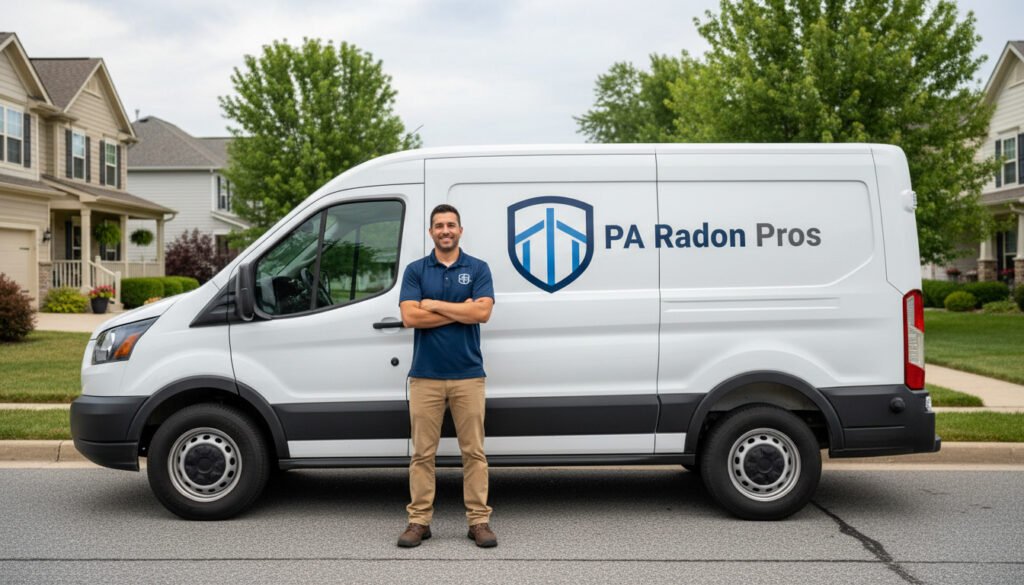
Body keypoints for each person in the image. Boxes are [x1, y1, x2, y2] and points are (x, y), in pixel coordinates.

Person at [396, 203, 497, 548]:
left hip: (469, 375)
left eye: (451, 225)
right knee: (422, 454)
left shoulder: (479, 268)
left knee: (474, 453)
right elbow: (410, 317)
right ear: (431, 232)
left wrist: (435, 304)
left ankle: (479, 521)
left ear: (460, 230)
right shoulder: (415, 271)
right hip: (425, 376)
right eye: (439, 225)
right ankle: (419, 521)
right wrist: (461, 310)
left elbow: (482, 312)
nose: (445, 230)